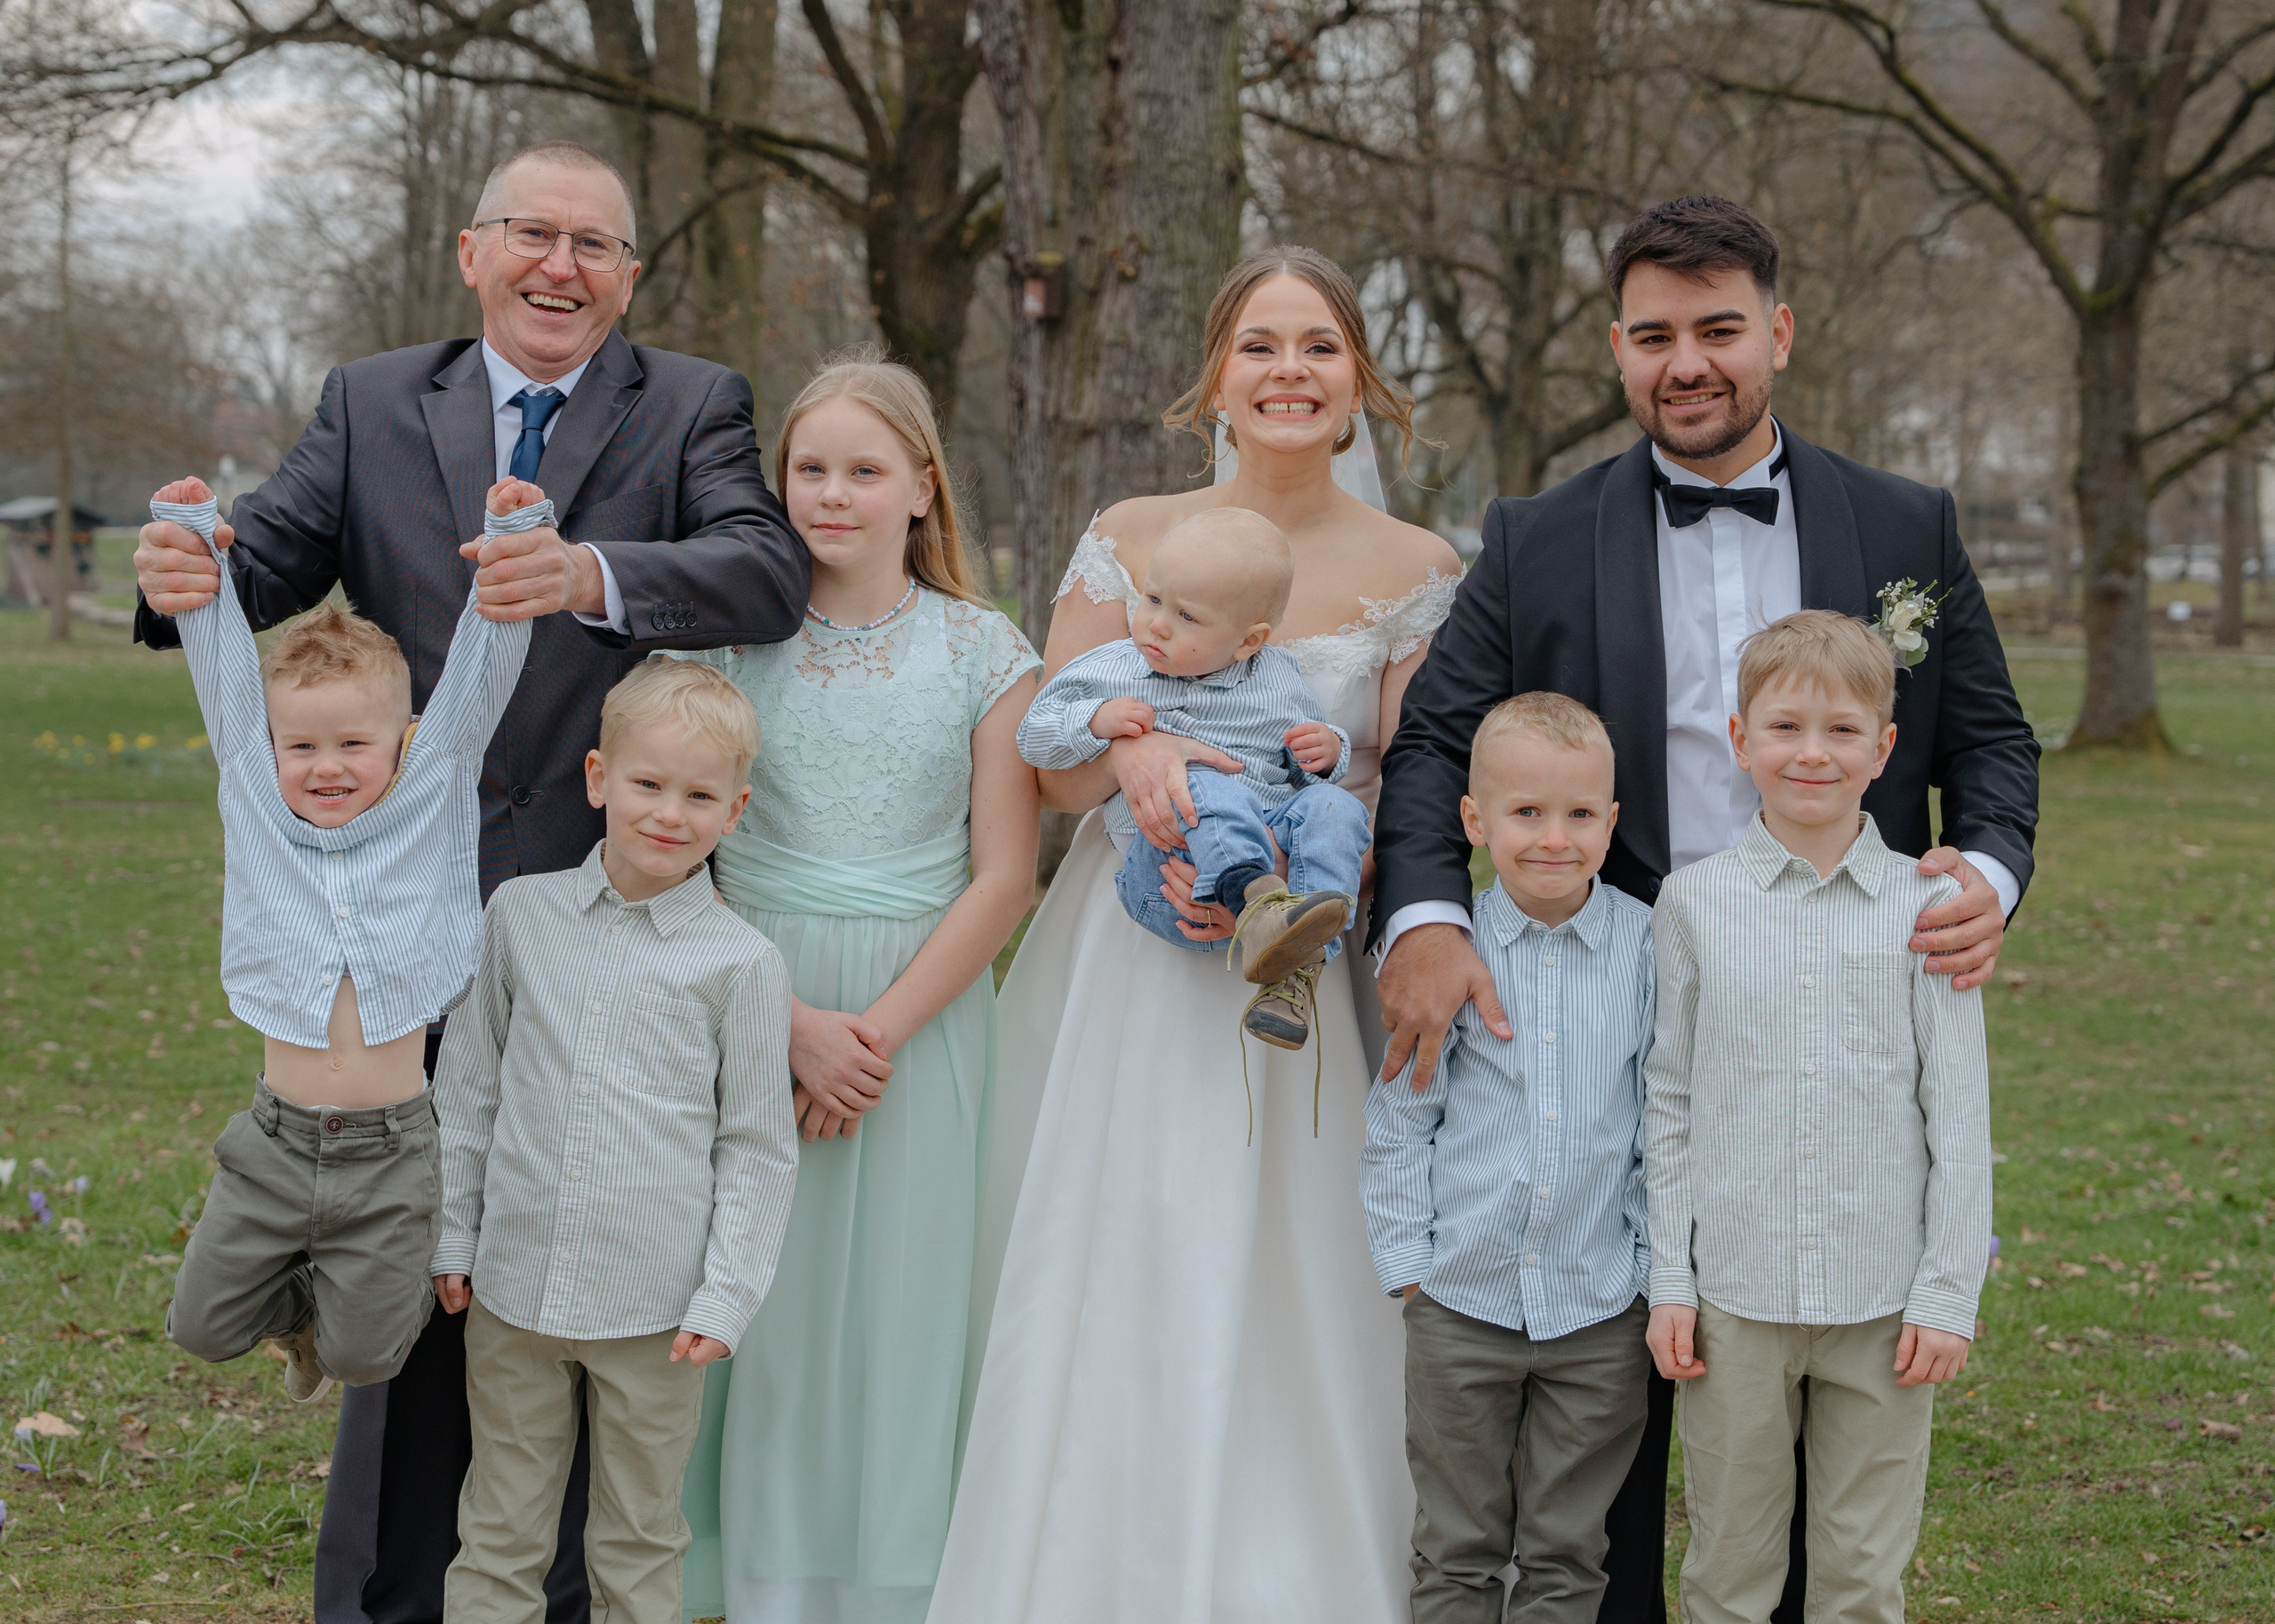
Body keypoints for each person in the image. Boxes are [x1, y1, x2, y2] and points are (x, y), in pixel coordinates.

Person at [130, 139, 810, 1624]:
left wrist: (592, 575)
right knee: (412, 1263)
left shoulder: (693, 401)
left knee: (566, 1264)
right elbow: (262, 562)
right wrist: (182, 573)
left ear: (629, 275)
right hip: (404, 918)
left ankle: (553, 1597)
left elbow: (766, 570)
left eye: (594, 244)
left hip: (596, 911)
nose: (560, 266)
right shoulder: (374, 399)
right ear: (472, 250)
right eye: (532, 234)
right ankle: (386, 1599)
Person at [1370, 195, 2039, 1622]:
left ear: (1777, 333)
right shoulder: (1538, 535)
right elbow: (1430, 743)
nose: (1688, 363)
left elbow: (1991, 742)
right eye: (1655, 335)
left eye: (1719, 329)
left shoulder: (1906, 523)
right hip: (1608, 994)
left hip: (1847, 998)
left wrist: (1983, 877)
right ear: (1619, 349)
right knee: (1610, 1409)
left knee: (1807, 1428)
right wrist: (1427, 916)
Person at [931, 246, 1463, 1623]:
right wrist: (1142, 755)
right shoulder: (1133, 533)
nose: (1290, 372)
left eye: (1319, 347)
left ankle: (1295, 1563)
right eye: (1261, 346)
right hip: (1137, 954)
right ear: (1216, 375)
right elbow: (1055, 771)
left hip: (1303, 955)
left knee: (1297, 1252)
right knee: (1131, 1232)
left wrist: (1313, 820)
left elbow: (1412, 784)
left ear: (1359, 382)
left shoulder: (1416, 566)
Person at [669, 355, 1040, 1623]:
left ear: (923, 488)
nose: (833, 494)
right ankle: (747, 1569)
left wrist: (868, 1036)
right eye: (810, 469)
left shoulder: (985, 651)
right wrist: (785, 1026)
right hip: (748, 993)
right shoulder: (728, 643)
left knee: (902, 1301)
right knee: (758, 1292)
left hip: (916, 1022)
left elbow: (1005, 876)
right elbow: (680, 859)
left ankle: (890, 1579)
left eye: (864, 470)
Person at [429, 657, 799, 1624]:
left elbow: (757, 1147)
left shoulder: (743, 964)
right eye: (648, 784)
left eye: (699, 796)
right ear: (599, 778)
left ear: (735, 809)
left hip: (655, 1312)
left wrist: (726, 1295)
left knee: (638, 1537)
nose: (669, 814)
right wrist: (453, 1233)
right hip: (513, 1288)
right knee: (500, 1526)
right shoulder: (520, 915)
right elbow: (468, 1089)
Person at [1643, 610, 1991, 1624]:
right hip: (1733, 1302)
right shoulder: (1692, 904)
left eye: (1842, 730)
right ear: (1739, 739)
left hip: (1883, 1303)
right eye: (1786, 727)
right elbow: (1668, 1099)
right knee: (1727, 1570)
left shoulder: (1928, 906)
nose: (1812, 753)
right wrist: (1672, 1280)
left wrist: (1947, 1293)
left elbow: (1959, 1113)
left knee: (1861, 1573)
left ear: (1883, 748)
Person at [156, 474, 531, 1404]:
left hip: (393, 1149)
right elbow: (222, 673)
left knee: (366, 1357)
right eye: (303, 747)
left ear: (403, 741)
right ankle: (298, 1314)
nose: (326, 767)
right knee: (200, 1326)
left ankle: (332, 1325)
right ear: (273, 748)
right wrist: (193, 534)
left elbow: (480, 676)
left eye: (354, 745)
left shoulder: (433, 784)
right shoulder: (255, 789)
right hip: (275, 1141)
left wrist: (513, 538)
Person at [1362, 692, 1656, 1624]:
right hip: (1461, 1303)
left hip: (1598, 1310)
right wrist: (1411, 1265)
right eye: (1527, 812)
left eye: (1580, 814)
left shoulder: (1650, 947)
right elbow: (1402, 1117)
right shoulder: (1447, 954)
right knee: (1456, 1546)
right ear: (1475, 820)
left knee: (1568, 1552)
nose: (1554, 838)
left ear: (1611, 821)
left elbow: (1663, 1123)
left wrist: (1648, 1271)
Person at [1016, 505, 1373, 1050]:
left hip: (1261, 846)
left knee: (1338, 808)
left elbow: (1298, 772)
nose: (1157, 624)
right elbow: (1032, 735)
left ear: (1249, 641)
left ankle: (1297, 961)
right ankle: (1258, 904)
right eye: (1153, 599)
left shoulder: (1278, 676)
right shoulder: (1114, 667)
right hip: (1168, 875)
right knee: (1197, 775)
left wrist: (1328, 750)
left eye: (1187, 616)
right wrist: (1096, 721)